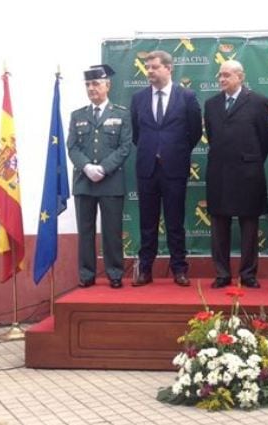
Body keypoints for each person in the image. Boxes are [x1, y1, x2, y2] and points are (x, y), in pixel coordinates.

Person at [130, 50, 203, 287]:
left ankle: (179, 269)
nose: (149, 71)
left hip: (174, 169)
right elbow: (137, 134)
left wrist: (174, 151)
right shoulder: (139, 98)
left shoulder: (187, 96)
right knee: (147, 223)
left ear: (168, 68)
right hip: (147, 168)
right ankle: (145, 270)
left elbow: (194, 133)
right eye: (147, 67)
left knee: (175, 222)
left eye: (154, 67)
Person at [204, 60, 268, 289]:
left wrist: (250, 160)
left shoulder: (258, 102)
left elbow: (265, 139)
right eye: (219, 76)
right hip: (219, 173)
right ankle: (222, 274)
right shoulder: (211, 104)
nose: (221, 79)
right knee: (219, 226)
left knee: (249, 227)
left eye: (226, 75)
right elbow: (213, 137)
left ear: (240, 77)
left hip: (248, 173)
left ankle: (248, 274)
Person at [67, 65, 132, 289]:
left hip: (111, 181)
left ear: (107, 85)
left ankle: (115, 273)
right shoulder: (77, 115)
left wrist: (103, 168)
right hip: (84, 182)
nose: (91, 88)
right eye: (88, 85)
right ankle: (86, 275)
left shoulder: (121, 113)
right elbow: (72, 146)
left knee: (112, 231)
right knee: (85, 231)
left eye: (96, 84)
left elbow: (125, 147)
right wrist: (86, 167)